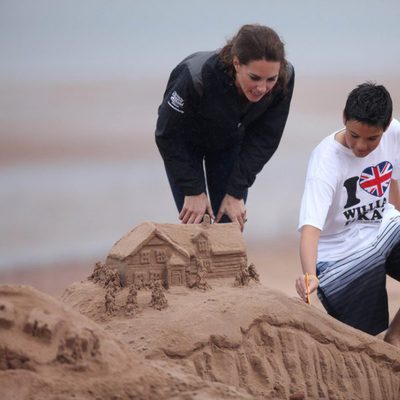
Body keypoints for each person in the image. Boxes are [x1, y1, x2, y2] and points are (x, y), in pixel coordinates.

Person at [155, 24, 295, 231]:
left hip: (228, 143)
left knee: (229, 227)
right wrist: (192, 189)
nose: (262, 88)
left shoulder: (285, 77)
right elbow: (167, 134)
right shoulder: (195, 76)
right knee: (198, 227)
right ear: (237, 64)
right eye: (254, 78)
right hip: (185, 145)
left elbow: (265, 138)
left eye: (270, 79)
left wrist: (237, 190)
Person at [295, 82, 400, 342]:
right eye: (354, 135)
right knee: (368, 340)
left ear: (385, 128)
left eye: (371, 138)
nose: (361, 146)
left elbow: (394, 179)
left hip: (382, 227)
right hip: (340, 252)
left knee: (387, 339)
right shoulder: (325, 161)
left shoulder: (395, 133)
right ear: (344, 117)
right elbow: (310, 228)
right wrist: (309, 276)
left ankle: (395, 338)